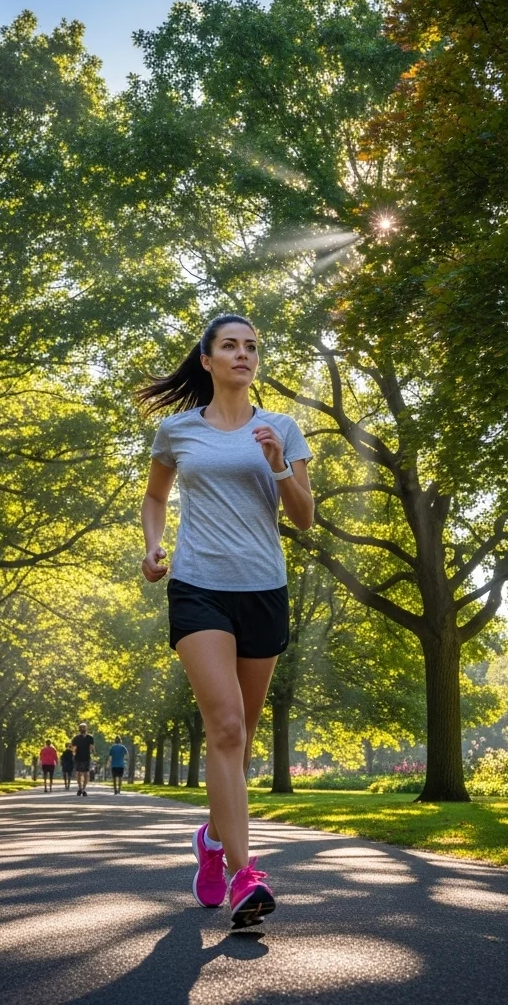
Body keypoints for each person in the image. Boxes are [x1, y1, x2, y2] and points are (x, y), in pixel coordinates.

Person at [138, 313, 314, 928]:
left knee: (238, 746)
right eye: (230, 346)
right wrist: (153, 544)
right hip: (198, 588)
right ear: (207, 360)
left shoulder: (282, 428)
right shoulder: (177, 430)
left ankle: (213, 843)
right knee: (228, 728)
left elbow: (304, 519)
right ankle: (246, 874)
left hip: (263, 590)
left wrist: (279, 465)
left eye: (251, 347)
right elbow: (156, 496)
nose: (243, 354)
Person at [71, 723, 95, 798]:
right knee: (78, 773)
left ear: (86, 728)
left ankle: (83, 789)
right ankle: (80, 788)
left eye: (84, 727)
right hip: (78, 758)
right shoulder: (76, 738)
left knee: (86, 773)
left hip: (86, 757)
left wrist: (93, 751)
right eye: (81, 728)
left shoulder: (90, 737)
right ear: (79, 729)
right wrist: (73, 753)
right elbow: (73, 748)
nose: (82, 729)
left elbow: (92, 747)